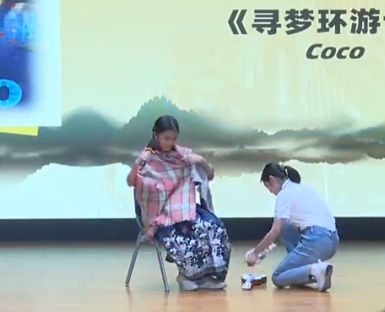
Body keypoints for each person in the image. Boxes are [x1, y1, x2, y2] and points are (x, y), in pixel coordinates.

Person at [127, 115, 231, 291]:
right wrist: (138, 162)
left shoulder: (183, 155)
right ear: (156, 135)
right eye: (166, 138)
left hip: (183, 207)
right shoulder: (148, 157)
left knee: (212, 227)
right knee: (184, 234)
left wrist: (201, 161)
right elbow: (132, 182)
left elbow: (209, 175)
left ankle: (206, 277)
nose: (170, 142)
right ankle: (187, 276)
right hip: (157, 213)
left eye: (174, 138)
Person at [247, 162, 338, 292]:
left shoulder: (284, 194)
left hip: (316, 240)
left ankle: (315, 270)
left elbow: (275, 231)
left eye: (268, 187)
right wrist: (263, 251)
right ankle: (308, 271)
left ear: (272, 180)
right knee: (287, 228)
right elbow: (283, 231)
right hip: (332, 241)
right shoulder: (305, 188)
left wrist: (256, 253)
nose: (271, 192)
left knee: (278, 277)